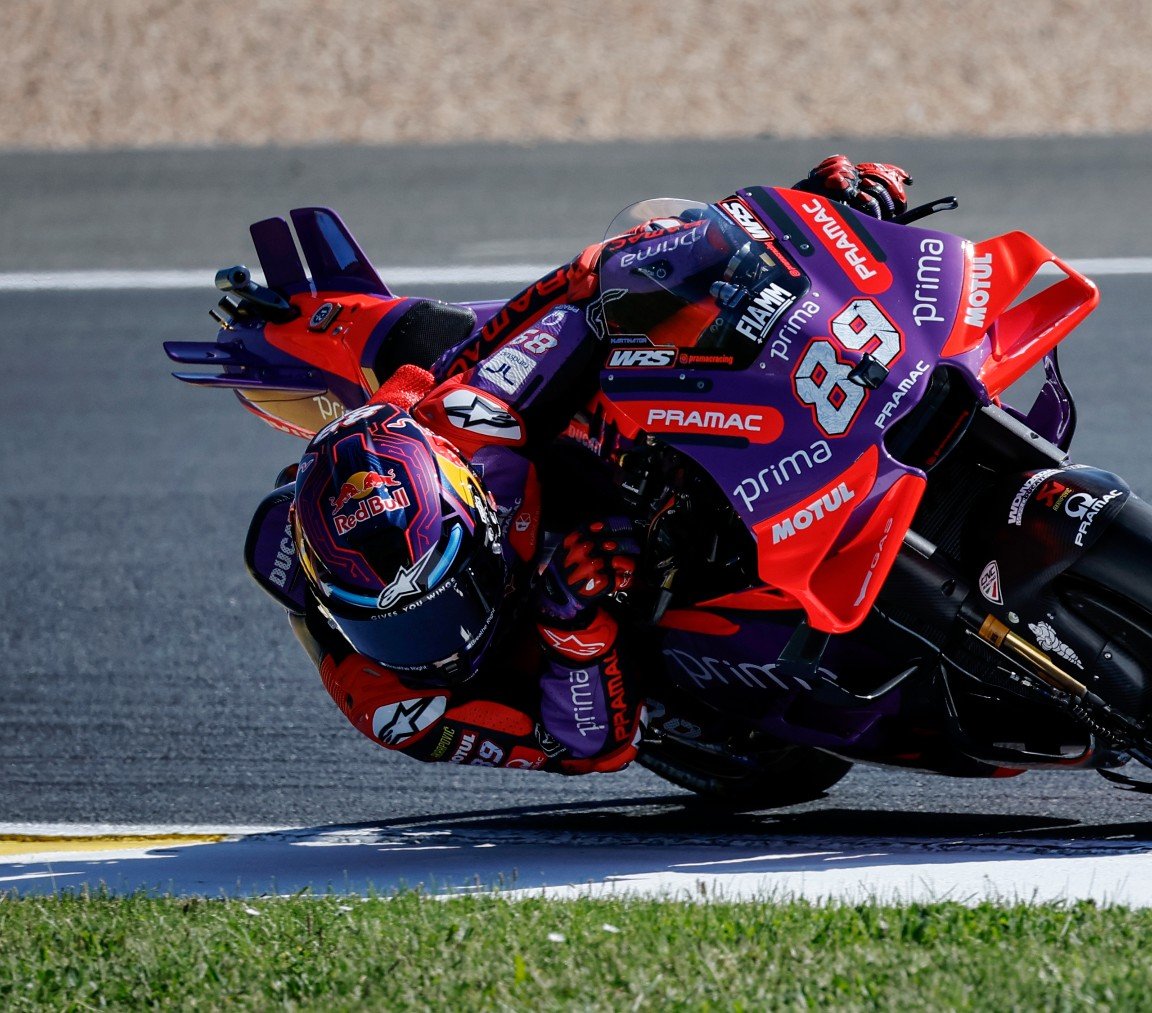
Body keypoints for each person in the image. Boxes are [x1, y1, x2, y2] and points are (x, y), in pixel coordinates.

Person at [245, 156, 912, 775]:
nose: (434, 644)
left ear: (472, 509)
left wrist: (806, 219)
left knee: (631, 299)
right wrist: (574, 628)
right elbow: (579, 747)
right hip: (588, 628)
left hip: (527, 436)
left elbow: (585, 284)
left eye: (441, 603)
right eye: (390, 628)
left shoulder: (477, 421)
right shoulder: (391, 703)